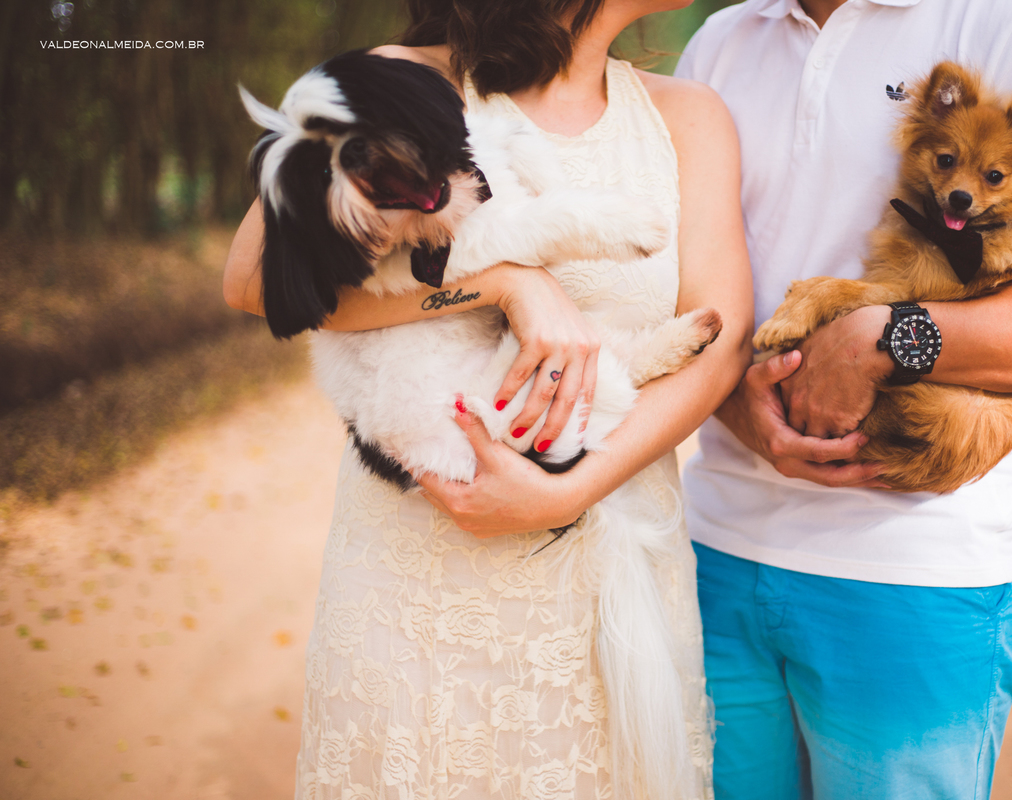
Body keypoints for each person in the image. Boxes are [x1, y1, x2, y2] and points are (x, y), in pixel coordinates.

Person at [223, 1, 752, 796]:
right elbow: (255, 281)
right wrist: (505, 285)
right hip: (421, 589)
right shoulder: (401, 84)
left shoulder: (692, 115)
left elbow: (723, 347)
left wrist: (566, 491)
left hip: (612, 559)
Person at [675, 0, 1012, 798]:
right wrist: (733, 402)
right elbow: (677, 280)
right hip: (715, 555)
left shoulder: (1011, 25)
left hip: (917, 578)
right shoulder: (724, 39)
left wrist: (889, 340)